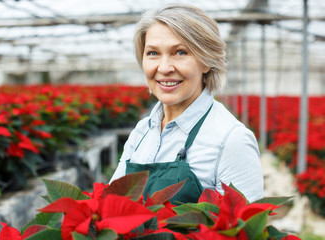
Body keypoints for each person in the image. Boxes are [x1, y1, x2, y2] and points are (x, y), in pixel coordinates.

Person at [110, 3, 264, 203]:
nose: (164, 68)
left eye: (180, 52)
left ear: (207, 60)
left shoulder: (231, 140)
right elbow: (110, 204)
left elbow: (244, 230)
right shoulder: (142, 132)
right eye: (153, 53)